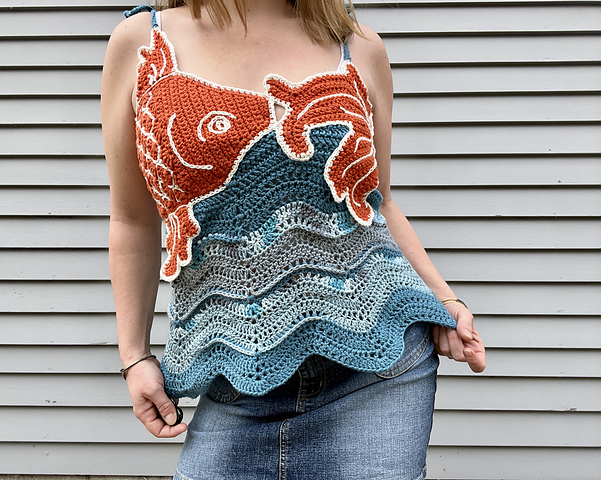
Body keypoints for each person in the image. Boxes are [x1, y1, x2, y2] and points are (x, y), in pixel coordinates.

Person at [101, 1, 486, 478]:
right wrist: (134, 356)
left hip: (380, 370)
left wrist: (445, 298)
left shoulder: (357, 45)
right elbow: (133, 219)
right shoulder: (142, 42)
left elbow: (377, 202)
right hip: (236, 382)